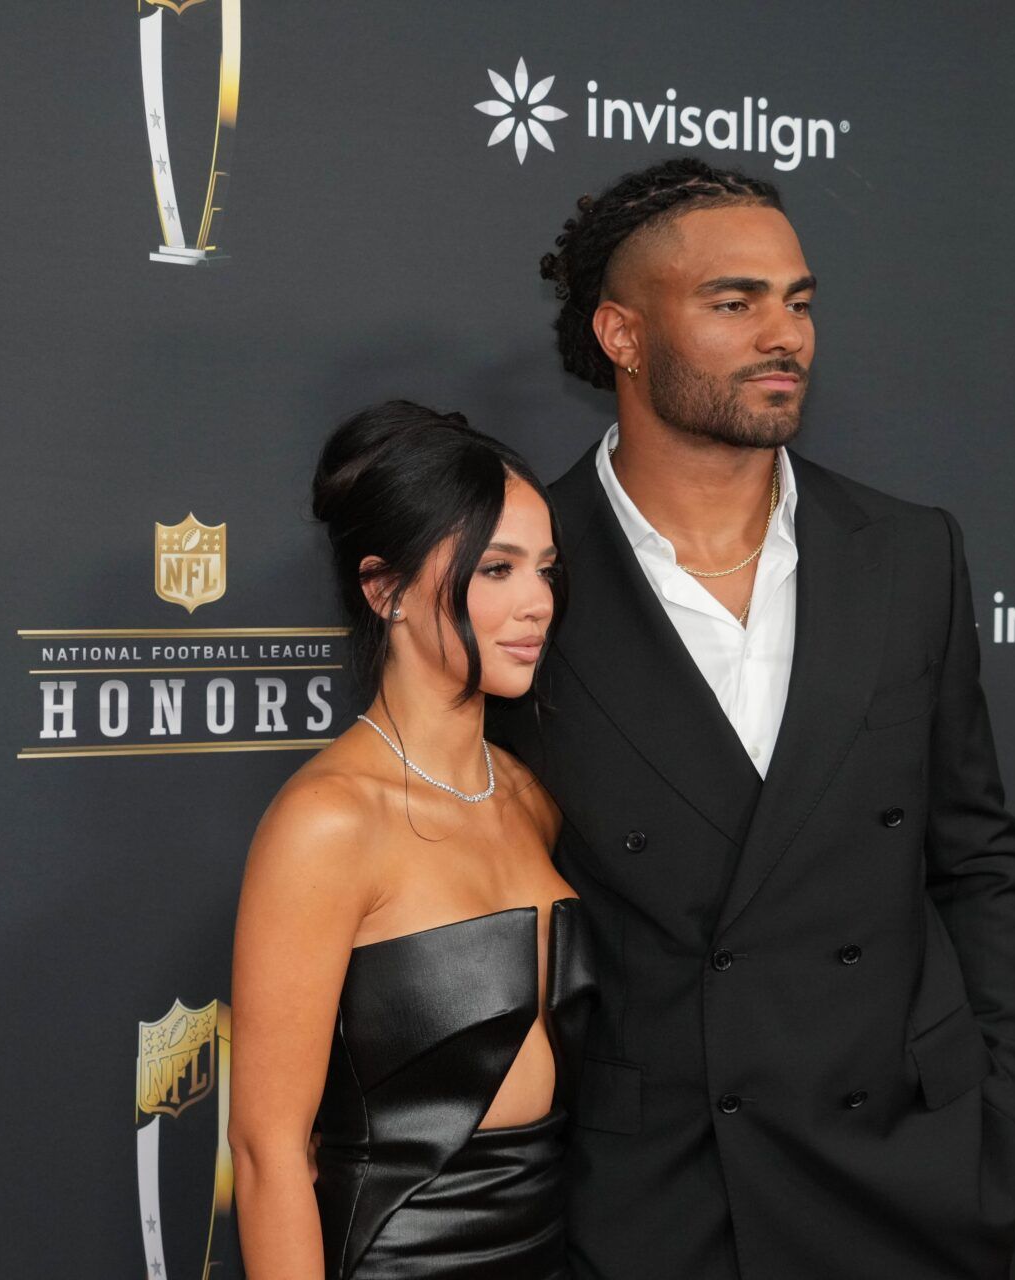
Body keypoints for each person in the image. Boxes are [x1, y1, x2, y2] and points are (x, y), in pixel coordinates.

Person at [487, 157, 1015, 1279]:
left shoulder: (909, 552)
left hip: (911, 1174)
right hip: (664, 1198)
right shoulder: (519, 575)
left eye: (798, 301)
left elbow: (975, 855)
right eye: (732, 302)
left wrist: (1002, 1110)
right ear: (622, 335)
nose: (782, 334)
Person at [228, 400, 594, 1279]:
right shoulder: (327, 822)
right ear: (384, 589)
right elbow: (266, 1153)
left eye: (545, 569)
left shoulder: (530, 797)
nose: (536, 602)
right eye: (496, 569)